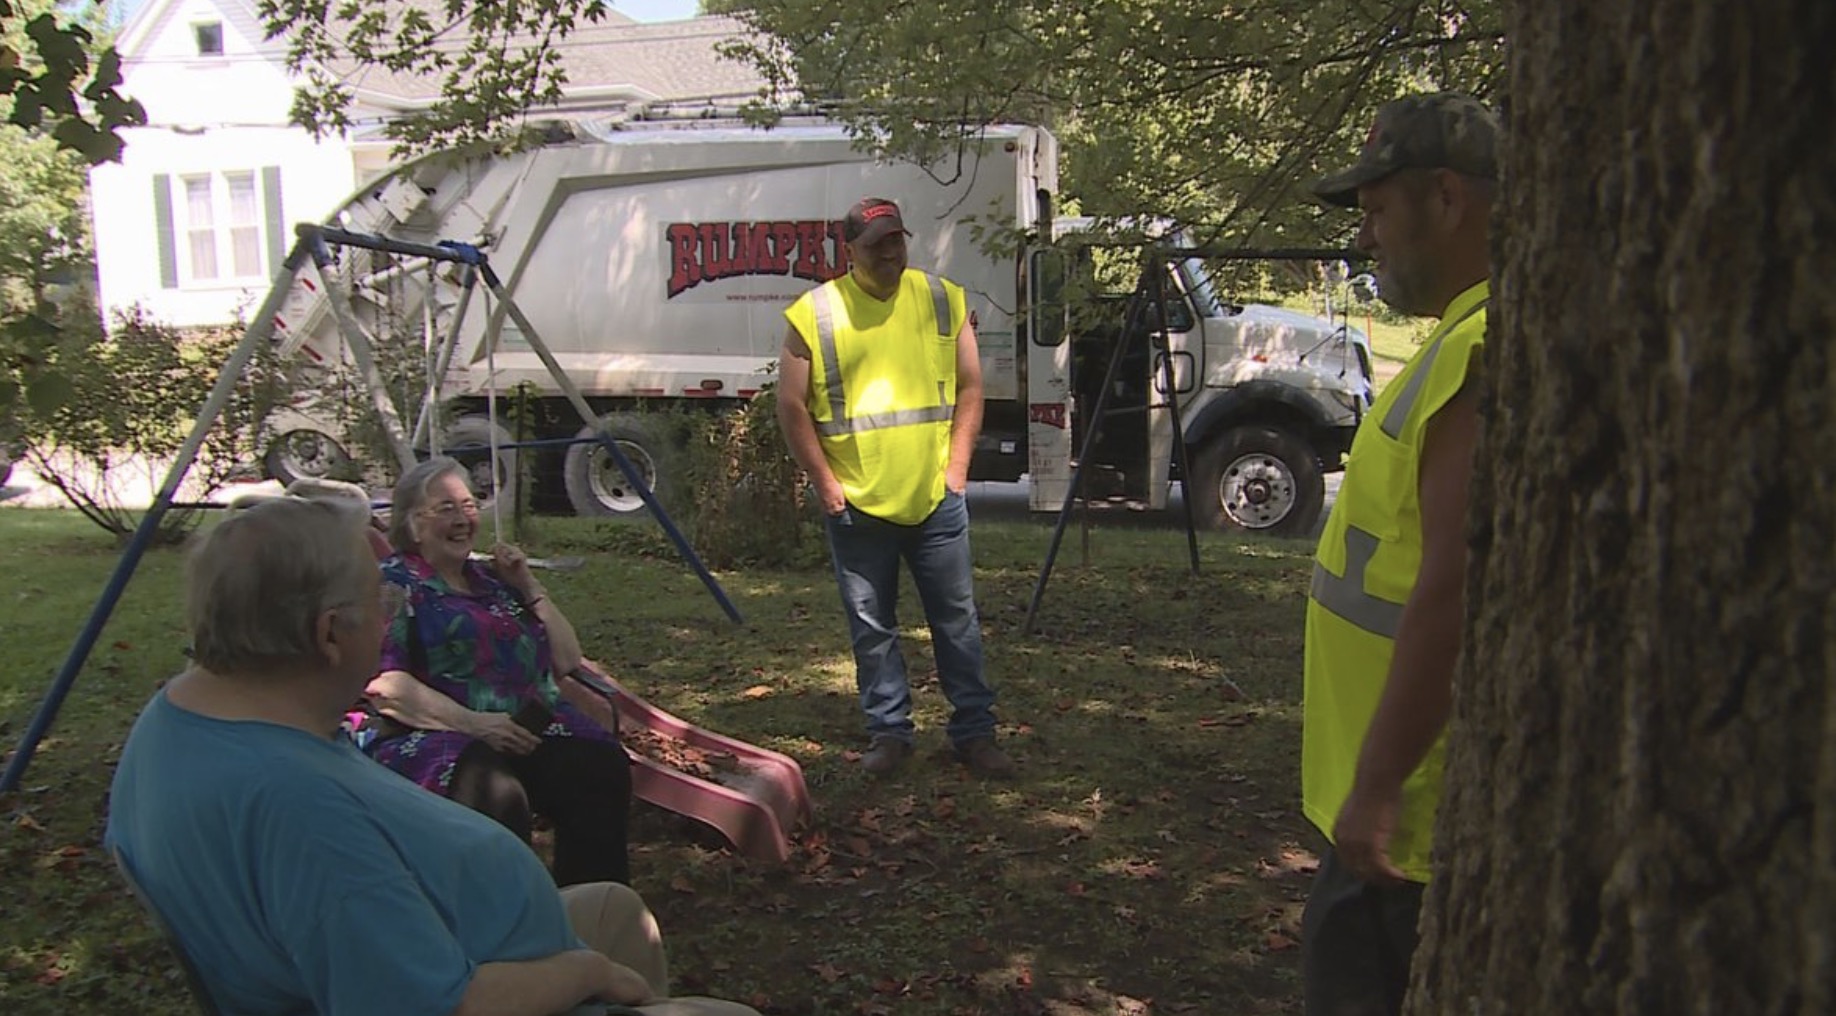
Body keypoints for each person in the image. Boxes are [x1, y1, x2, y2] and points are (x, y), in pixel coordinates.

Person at [105, 496, 759, 1016]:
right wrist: (586, 971)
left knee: (615, 906)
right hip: (488, 984)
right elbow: (436, 1006)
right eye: (379, 603)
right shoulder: (302, 814)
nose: (388, 615)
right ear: (330, 634)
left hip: (460, 939)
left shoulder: (179, 718)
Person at [1297, 92, 1500, 1015]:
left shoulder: (1483, 348)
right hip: (1385, 803)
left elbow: (1455, 587)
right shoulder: (1460, 338)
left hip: (1406, 822)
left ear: (1448, 200)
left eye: (1380, 211)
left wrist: (1378, 789)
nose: (1368, 236)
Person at [777, 196, 1014, 778]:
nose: (891, 252)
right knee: (872, 627)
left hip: (935, 500)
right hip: (857, 505)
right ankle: (890, 734)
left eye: (897, 239)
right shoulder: (816, 313)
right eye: (877, 243)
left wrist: (957, 470)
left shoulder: (941, 299)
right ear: (849, 251)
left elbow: (971, 388)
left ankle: (974, 734)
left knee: (956, 621)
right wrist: (826, 484)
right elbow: (790, 406)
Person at [363, 456, 632, 886]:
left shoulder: (492, 580)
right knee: (495, 791)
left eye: (469, 506)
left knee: (599, 767)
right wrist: (476, 724)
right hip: (435, 735)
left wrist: (528, 586)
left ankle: (592, 910)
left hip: (523, 731)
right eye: (446, 508)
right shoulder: (394, 584)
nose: (463, 519)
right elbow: (385, 685)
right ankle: (511, 927)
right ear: (413, 524)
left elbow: (566, 659)